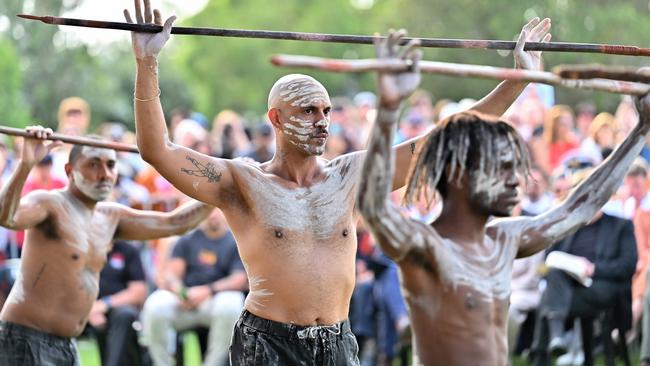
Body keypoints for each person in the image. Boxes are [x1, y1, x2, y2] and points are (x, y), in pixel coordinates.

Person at [124, 0, 549, 362]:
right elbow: (157, 150)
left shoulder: (351, 174)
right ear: (276, 118)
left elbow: (444, 139)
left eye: (326, 111)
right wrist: (148, 64)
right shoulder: (242, 182)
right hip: (268, 343)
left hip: (337, 343)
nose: (322, 122)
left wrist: (519, 80)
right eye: (309, 111)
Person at [357, 43, 650, 366]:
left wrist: (641, 129)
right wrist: (387, 109)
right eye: (503, 169)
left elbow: (582, 204)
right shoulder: (424, 247)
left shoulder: (505, 238)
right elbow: (373, 202)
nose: (516, 181)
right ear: (459, 175)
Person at [0, 126, 213, 365]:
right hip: (25, 338)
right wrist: (25, 164)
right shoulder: (49, 204)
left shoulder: (111, 217)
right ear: (69, 170)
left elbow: (176, 223)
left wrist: (221, 184)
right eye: (93, 164)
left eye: (110, 165)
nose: (104, 174)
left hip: (66, 346)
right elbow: (6, 216)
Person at [141, 207, 247, 366]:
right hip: (185, 300)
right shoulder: (186, 240)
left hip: (215, 301)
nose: (213, 215)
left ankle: (213, 364)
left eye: (217, 210)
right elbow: (172, 274)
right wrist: (181, 292)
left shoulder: (236, 242)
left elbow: (238, 279)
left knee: (231, 303)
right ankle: (161, 363)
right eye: (208, 210)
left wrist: (207, 291)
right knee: (155, 303)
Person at [85, 240, 149, 366]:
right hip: (82, 308)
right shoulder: (82, 250)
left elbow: (139, 292)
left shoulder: (128, 250)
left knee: (126, 315)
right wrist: (88, 310)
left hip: (115, 308)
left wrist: (104, 304)